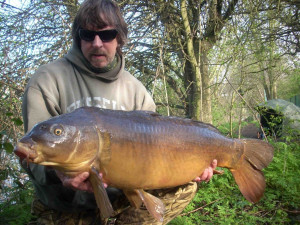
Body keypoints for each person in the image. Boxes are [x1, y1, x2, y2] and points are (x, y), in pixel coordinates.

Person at [21, 0, 217, 224]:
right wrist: (58, 173)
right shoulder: (47, 80)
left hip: (121, 200)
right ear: (78, 36)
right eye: (87, 34)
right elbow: (30, 153)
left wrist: (192, 165)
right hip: (66, 205)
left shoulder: (136, 90)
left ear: (119, 38)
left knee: (186, 185)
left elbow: (160, 156)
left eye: (106, 35)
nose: (96, 43)